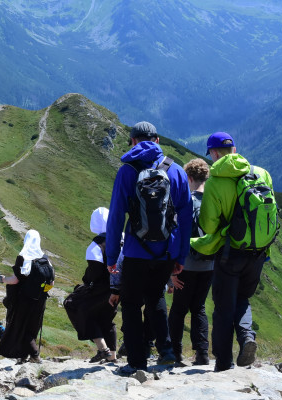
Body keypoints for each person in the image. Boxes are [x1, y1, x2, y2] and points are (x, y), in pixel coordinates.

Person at [105, 121, 192, 373]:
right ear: (156, 141)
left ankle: (136, 362)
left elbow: (116, 217)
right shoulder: (175, 171)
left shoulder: (127, 171)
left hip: (135, 252)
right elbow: (186, 218)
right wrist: (180, 256)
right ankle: (166, 350)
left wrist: (112, 255)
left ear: (133, 142)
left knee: (131, 304)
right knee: (155, 297)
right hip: (166, 252)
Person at [191, 132, 274, 372]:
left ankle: (224, 362)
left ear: (214, 153)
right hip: (258, 252)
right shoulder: (261, 173)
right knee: (243, 299)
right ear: (234, 150)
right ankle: (247, 337)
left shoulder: (216, 181)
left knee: (223, 307)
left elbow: (208, 225)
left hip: (229, 253)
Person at [168, 158, 214, 365]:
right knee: (199, 308)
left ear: (189, 177)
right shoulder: (213, 201)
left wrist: (171, 270)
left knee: (179, 309)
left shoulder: (186, 201)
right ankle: (202, 354)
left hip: (185, 264)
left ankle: (175, 353)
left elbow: (176, 235)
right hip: (209, 264)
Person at [66, 207, 118, 363]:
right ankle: (112, 357)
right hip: (120, 286)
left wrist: (86, 280)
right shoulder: (121, 237)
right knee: (107, 318)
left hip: (101, 288)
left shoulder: (96, 246)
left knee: (75, 306)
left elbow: (94, 272)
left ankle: (103, 350)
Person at [0, 230, 53, 364]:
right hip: (40, 301)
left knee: (20, 327)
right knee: (33, 328)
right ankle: (24, 355)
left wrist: (1, 279)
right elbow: (51, 283)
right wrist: (40, 293)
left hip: (24, 301)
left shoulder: (23, 257)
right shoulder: (46, 259)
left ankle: (35, 355)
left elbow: (15, 280)